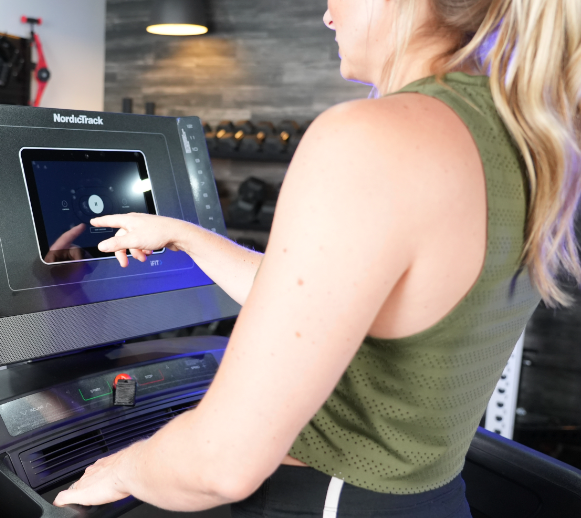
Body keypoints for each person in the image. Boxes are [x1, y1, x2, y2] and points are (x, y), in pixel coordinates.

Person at [53, 0, 581, 516]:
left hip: (326, 498)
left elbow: (219, 463)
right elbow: (340, 300)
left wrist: (124, 468)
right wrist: (188, 236)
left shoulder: (371, 137)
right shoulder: (528, 140)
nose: (328, 15)